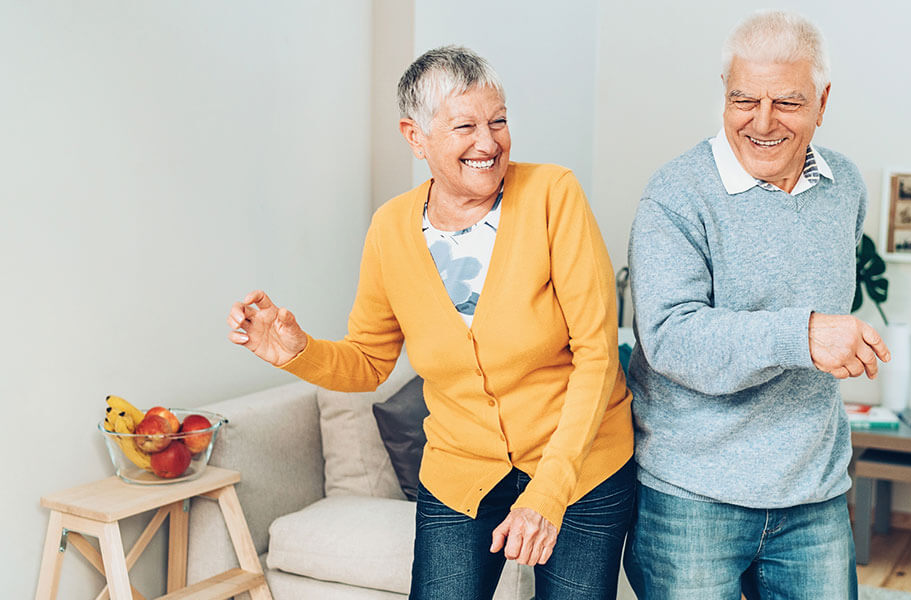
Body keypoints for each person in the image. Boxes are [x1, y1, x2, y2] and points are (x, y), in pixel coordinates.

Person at [227, 46, 634, 600]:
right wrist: (299, 351)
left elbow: (596, 354)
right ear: (415, 137)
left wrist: (550, 490)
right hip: (459, 470)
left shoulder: (552, 194)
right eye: (465, 126)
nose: (489, 143)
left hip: (580, 464)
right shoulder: (390, 230)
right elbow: (370, 362)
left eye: (499, 121)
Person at [622, 11, 890, 600]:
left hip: (812, 495)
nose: (762, 122)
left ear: (823, 101)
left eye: (788, 104)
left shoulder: (844, 186)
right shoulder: (676, 194)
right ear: (725, 93)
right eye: (744, 99)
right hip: (692, 499)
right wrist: (803, 335)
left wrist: (813, 335)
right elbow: (671, 337)